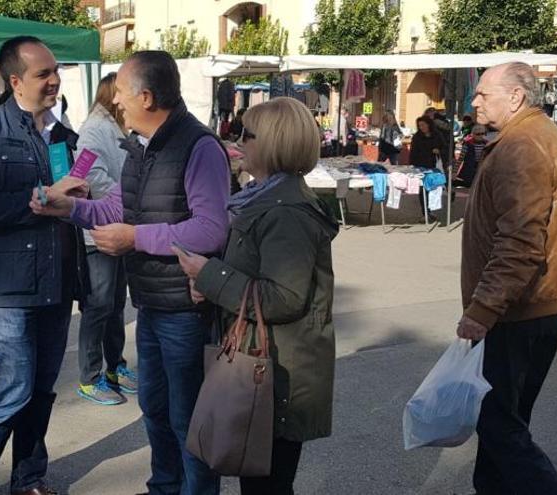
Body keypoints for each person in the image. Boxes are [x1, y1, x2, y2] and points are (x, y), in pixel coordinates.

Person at [31, 50, 229, 495]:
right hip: (152, 305)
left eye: (121, 91)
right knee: (156, 409)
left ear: (146, 96)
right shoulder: (140, 146)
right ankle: (164, 487)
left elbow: (211, 229)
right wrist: (69, 208)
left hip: (185, 308)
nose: (115, 101)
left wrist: (134, 238)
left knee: (187, 419)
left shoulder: (199, 148)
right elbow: (115, 207)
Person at [174, 97, 337, 495]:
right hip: (266, 361)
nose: (237, 140)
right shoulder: (263, 199)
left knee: (267, 485)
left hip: (279, 372)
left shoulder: (285, 211)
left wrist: (208, 274)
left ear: (273, 143)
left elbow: (283, 298)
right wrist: (211, 287)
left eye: (247, 133)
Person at [0, 36, 86, 495]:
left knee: (42, 390)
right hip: (5, 288)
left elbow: (73, 206)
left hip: (56, 280)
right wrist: (41, 199)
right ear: (14, 81)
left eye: (54, 71)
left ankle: (28, 479)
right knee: (13, 389)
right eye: (42, 73)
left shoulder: (65, 135)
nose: (54, 80)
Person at [458, 62, 557, 495]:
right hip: (542, 303)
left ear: (515, 98)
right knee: (506, 420)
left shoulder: (522, 146)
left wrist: (482, 309)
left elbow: (519, 243)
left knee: (499, 426)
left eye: (482, 94)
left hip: (519, 309)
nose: (473, 101)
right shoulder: (541, 137)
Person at [73, 72, 137, 406]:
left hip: (119, 229)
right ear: (114, 94)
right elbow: (86, 176)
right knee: (98, 306)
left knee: (114, 305)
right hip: (98, 232)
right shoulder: (94, 130)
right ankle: (89, 377)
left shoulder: (119, 128)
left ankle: (116, 367)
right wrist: (127, 198)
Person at [454, 124, 487, 188]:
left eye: (482, 133)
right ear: (473, 134)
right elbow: (460, 159)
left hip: (481, 171)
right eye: (478, 134)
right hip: (469, 171)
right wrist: (454, 172)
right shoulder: (467, 144)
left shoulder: (487, 144)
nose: (481, 136)